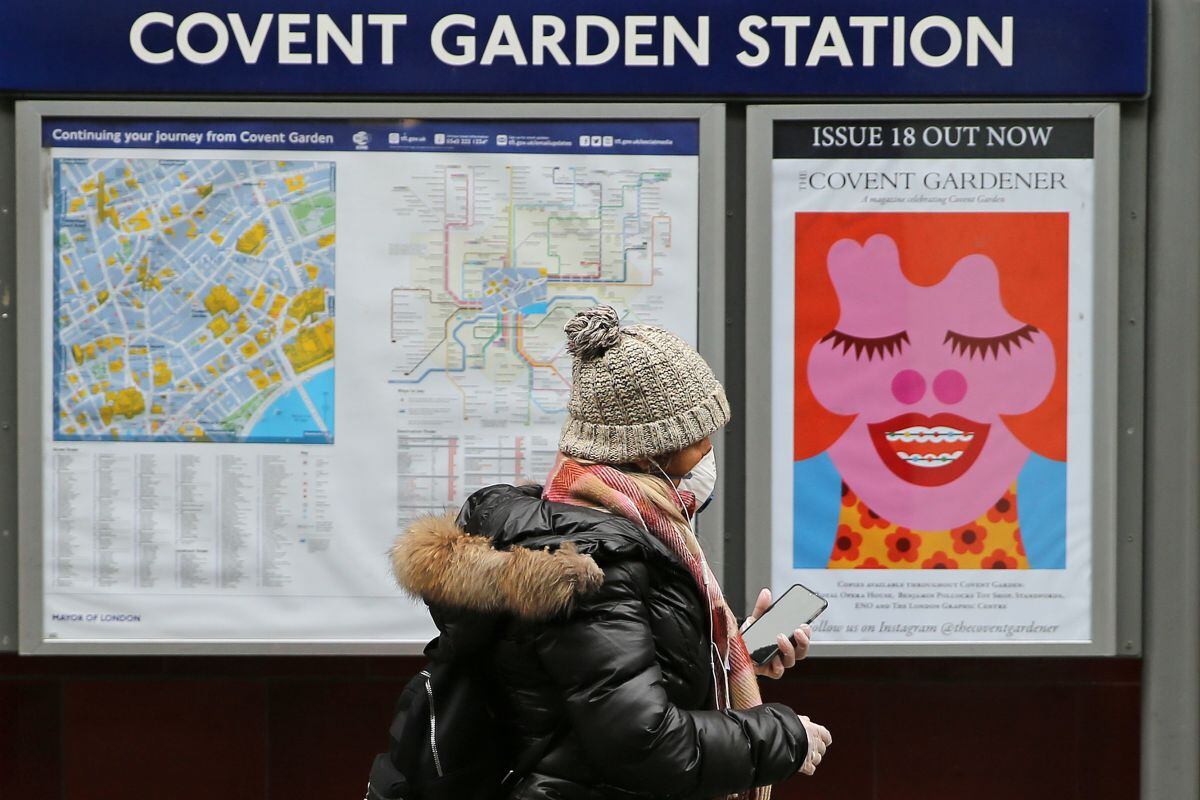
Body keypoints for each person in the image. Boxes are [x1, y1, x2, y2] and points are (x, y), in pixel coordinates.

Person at [392, 305, 832, 800]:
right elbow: (644, 742)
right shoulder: (592, 564)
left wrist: (727, 659)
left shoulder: (588, 525)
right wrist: (784, 736)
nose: (708, 451)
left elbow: (605, 684)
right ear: (647, 449)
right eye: (695, 440)